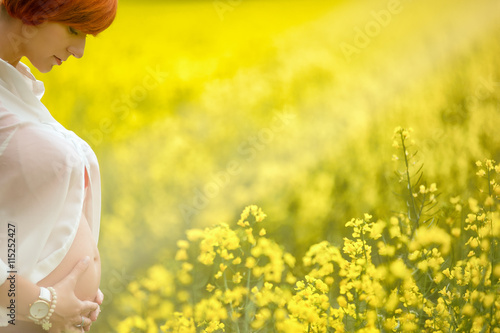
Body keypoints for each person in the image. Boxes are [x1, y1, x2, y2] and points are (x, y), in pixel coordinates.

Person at [0, 0, 117, 331]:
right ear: (31, 13)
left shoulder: (15, 88)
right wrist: (44, 303)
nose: (79, 50)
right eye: (73, 29)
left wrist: (76, 292)